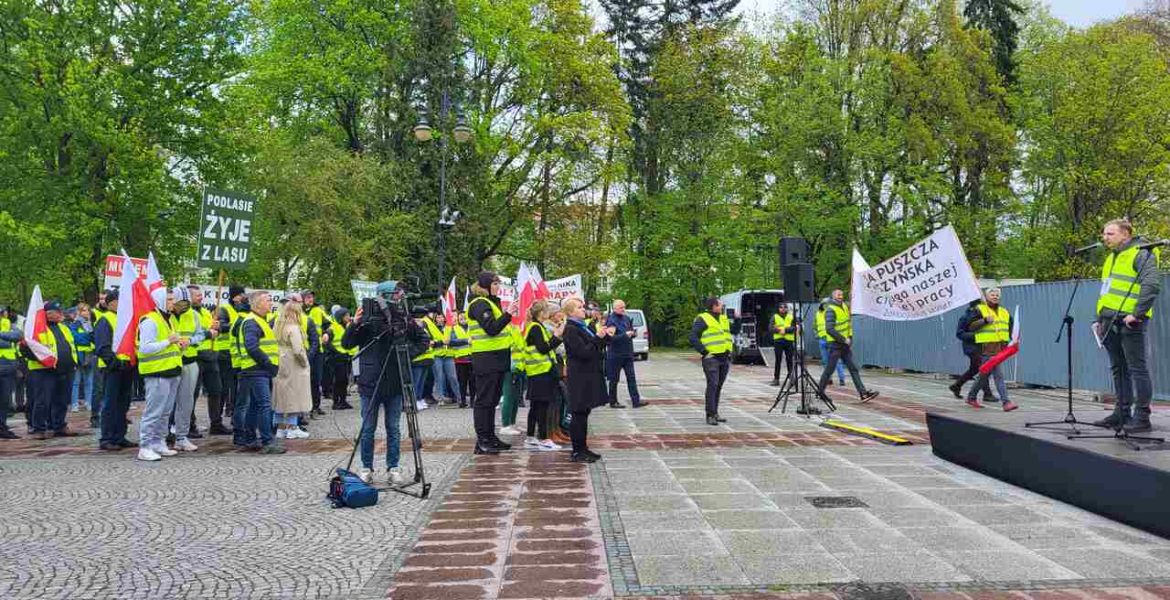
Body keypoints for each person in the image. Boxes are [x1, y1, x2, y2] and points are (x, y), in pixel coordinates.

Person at [343, 280, 425, 484]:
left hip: (395, 381)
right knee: (368, 428)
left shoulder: (403, 318)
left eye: (400, 293)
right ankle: (366, 467)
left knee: (393, 428)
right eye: (396, 293)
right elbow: (347, 344)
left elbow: (423, 340)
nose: (400, 297)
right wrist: (355, 324)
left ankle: (393, 467)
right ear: (385, 295)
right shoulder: (368, 319)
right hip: (370, 382)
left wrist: (405, 355)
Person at [1093, 219, 1162, 432]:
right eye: (1104, 234)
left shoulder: (1142, 253)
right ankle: (1121, 413)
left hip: (1130, 321)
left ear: (1126, 234)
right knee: (1118, 368)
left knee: (1137, 369)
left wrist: (1137, 314)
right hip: (1109, 319)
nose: (1105, 238)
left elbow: (1151, 284)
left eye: (1110, 234)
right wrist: (1099, 317)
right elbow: (1107, 291)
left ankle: (1142, 418)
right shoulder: (1112, 257)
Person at [466, 272, 519, 455]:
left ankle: (491, 437)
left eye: (498, 284)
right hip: (486, 358)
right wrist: (508, 314)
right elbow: (491, 329)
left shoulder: (490, 302)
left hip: (497, 358)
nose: (498, 287)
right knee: (484, 401)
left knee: (492, 400)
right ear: (485, 285)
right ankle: (482, 440)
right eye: (495, 284)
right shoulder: (479, 304)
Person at [136, 288, 184, 461]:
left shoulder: (169, 319)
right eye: (170, 299)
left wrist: (179, 345)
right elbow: (145, 348)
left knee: (165, 412)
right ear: (161, 300)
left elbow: (168, 345)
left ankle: (159, 442)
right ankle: (145, 446)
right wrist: (168, 341)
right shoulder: (150, 320)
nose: (173, 302)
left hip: (171, 371)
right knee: (154, 411)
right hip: (156, 373)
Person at [23, 301, 82, 439]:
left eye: (58, 311)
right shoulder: (38, 329)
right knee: (42, 401)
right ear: (47, 314)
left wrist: (74, 362)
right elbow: (26, 349)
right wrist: (43, 360)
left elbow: (71, 345)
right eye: (54, 312)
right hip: (44, 370)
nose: (59, 314)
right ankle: (38, 429)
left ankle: (59, 426)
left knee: (62, 400)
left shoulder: (64, 327)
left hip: (65, 369)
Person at [235, 291, 285, 454]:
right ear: (257, 304)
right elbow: (252, 347)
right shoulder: (252, 322)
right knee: (264, 405)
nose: (271, 303)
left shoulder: (259, 320)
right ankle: (267, 441)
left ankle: (250, 438)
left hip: (256, 370)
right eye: (268, 300)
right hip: (256, 369)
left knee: (255, 406)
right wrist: (268, 363)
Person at [817, 289, 879, 403]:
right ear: (833, 297)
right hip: (835, 345)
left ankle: (863, 393)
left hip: (845, 346)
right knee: (829, 370)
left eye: (842, 294)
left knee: (853, 368)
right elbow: (829, 329)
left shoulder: (845, 307)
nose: (841, 296)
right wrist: (843, 339)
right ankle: (820, 392)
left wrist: (850, 337)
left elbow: (848, 324)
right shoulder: (830, 310)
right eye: (838, 295)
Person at [94, 291, 135, 451]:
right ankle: (107, 438)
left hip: (126, 366)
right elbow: (102, 347)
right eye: (121, 301)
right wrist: (115, 363)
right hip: (112, 368)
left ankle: (119, 436)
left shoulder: (124, 319)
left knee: (123, 404)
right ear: (111, 303)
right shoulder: (105, 320)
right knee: (110, 404)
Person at [964, 288, 1017, 411]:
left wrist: (1013, 339)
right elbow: (970, 326)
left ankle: (971, 397)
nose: (995, 296)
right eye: (992, 294)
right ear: (986, 297)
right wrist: (985, 320)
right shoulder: (980, 310)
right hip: (985, 348)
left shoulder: (1004, 312)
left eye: (997, 294)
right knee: (998, 375)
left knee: (984, 374)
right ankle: (1006, 402)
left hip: (1000, 348)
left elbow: (1011, 328)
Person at [523, 300, 565, 451]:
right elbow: (543, 348)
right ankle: (543, 439)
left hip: (538, 371)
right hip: (541, 371)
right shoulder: (536, 327)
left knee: (536, 406)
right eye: (547, 310)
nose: (549, 313)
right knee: (541, 406)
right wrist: (557, 336)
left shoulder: (535, 326)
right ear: (542, 313)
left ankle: (530, 437)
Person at [167, 287, 204, 452]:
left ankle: (181, 436)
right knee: (166, 403)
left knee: (186, 402)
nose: (182, 306)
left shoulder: (194, 315)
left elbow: (201, 335)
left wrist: (190, 340)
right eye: (178, 303)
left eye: (185, 303)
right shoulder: (165, 315)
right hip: (168, 363)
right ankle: (162, 436)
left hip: (189, 362)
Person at [273, 293, 312, 439]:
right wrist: (304, 362)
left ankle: (281, 427)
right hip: (293, 363)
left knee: (281, 395)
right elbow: (298, 349)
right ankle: (292, 427)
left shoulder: (278, 324)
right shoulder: (293, 327)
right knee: (294, 395)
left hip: (281, 359)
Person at [190, 285, 227, 435]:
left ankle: (216, 424)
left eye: (200, 295)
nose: (201, 297)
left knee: (216, 391)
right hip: (197, 356)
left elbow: (214, 332)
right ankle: (190, 425)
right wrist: (208, 332)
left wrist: (217, 328)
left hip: (211, 356)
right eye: (197, 295)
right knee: (192, 393)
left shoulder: (206, 312)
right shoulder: (188, 314)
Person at [690, 296, 732, 425]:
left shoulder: (724, 318)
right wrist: (704, 352)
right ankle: (710, 415)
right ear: (713, 306)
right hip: (712, 358)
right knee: (712, 385)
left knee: (718, 386)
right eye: (720, 305)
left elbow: (733, 331)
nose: (722, 306)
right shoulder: (703, 318)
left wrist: (738, 319)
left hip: (725, 357)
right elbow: (693, 336)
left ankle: (715, 412)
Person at [949, 299, 994, 402]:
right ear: (975, 307)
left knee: (974, 369)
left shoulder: (983, 317)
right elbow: (959, 333)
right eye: (980, 306)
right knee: (983, 368)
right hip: (972, 347)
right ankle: (987, 394)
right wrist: (975, 336)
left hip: (982, 346)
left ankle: (956, 385)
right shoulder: (965, 318)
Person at [604, 299, 644, 408]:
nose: (623, 309)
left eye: (624, 307)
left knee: (631, 377)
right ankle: (613, 401)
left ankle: (636, 401)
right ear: (615, 308)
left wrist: (633, 334)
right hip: (615, 354)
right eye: (621, 307)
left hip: (627, 353)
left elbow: (630, 331)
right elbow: (610, 339)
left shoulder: (626, 318)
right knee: (614, 379)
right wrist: (625, 335)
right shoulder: (611, 320)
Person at [217, 285, 246, 430]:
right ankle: (219, 419)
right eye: (241, 295)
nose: (243, 297)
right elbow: (220, 327)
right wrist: (238, 324)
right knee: (225, 388)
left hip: (237, 355)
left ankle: (236, 417)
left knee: (236, 388)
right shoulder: (224, 309)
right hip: (224, 354)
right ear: (234, 297)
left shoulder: (242, 310)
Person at [302, 290, 331, 416]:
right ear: (302, 299)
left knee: (316, 379)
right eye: (308, 297)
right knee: (303, 380)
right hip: (303, 350)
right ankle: (304, 408)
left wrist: (327, 333)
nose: (310, 299)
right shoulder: (298, 311)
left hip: (318, 350)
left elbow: (330, 324)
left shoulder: (318, 310)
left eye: (312, 297)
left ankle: (316, 406)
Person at [410, 307, 440, 412]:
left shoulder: (424, 328)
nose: (420, 321)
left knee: (422, 382)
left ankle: (420, 399)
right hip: (417, 359)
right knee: (416, 382)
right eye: (418, 320)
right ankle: (415, 400)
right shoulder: (412, 330)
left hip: (426, 359)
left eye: (421, 319)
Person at [68, 304, 96, 414]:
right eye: (84, 310)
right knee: (76, 381)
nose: (87, 312)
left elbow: (94, 337)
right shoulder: (75, 324)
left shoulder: (91, 324)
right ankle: (74, 404)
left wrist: (87, 338)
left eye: (88, 310)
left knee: (89, 381)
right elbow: (75, 338)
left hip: (89, 354)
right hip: (78, 355)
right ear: (79, 312)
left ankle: (88, 403)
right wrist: (87, 337)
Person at [326, 307, 354, 412]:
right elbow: (327, 343)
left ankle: (343, 400)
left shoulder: (347, 327)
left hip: (346, 357)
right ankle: (336, 402)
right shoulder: (333, 327)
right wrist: (336, 352)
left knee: (345, 380)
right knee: (338, 380)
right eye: (346, 315)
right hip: (336, 358)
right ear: (340, 317)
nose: (348, 317)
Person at [0, 306, 22, 439]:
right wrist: (7, 338)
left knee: (5, 401)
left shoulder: (10, 325)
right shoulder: (9, 327)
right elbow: (6, 343)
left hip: (9, 368)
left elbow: (18, 336)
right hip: (4, 366)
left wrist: (3, 335)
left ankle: (2, 427)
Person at [432, 313, 462, 406]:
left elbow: (454, 339)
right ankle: (440, 398)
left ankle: (459, 397)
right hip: (437, 355)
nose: (440, 319)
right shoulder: (432, 328)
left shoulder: (449, 328)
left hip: (448, 355)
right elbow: (431, 341)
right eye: (438, 317)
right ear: (435, 319)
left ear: (444, 318)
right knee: (439, 377)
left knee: (453, 377)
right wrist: (440, 342)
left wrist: (449, 341)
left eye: (441, 317)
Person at [815, 301, 846, 386]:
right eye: (824, 304)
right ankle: (829, 379)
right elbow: (815, 326)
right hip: (822, 339)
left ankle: (842, 378)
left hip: (831, 339)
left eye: (827, 304)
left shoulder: (832, 312)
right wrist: (816, 334)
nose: (825, 306)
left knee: (836, 360)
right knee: (825, 361)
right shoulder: (818, 313)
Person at [769, 303, 797, 387]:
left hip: (789, 341)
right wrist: (778, 330)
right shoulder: (775, 317)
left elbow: (795, 327)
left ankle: (791, 379)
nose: (783, 309)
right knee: (778, 360)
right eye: (781, 307)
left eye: (785, 307)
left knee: (789, 360)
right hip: (778, 341)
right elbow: (770, 328)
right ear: (778, 309)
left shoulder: (791, 316)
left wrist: (785, 330)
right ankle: (776, 379)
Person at [451, 312, 473, 408]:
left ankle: (473, 401)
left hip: (472, 358)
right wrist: (466, 340)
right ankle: (462, 401)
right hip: (460, 359)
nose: (463, 319)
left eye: (465, 317)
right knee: (462, 382)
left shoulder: (472, 327)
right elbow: (451, 342)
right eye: (461, 318)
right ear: (458, 320)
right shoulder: (454, 328)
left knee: (473, 382)